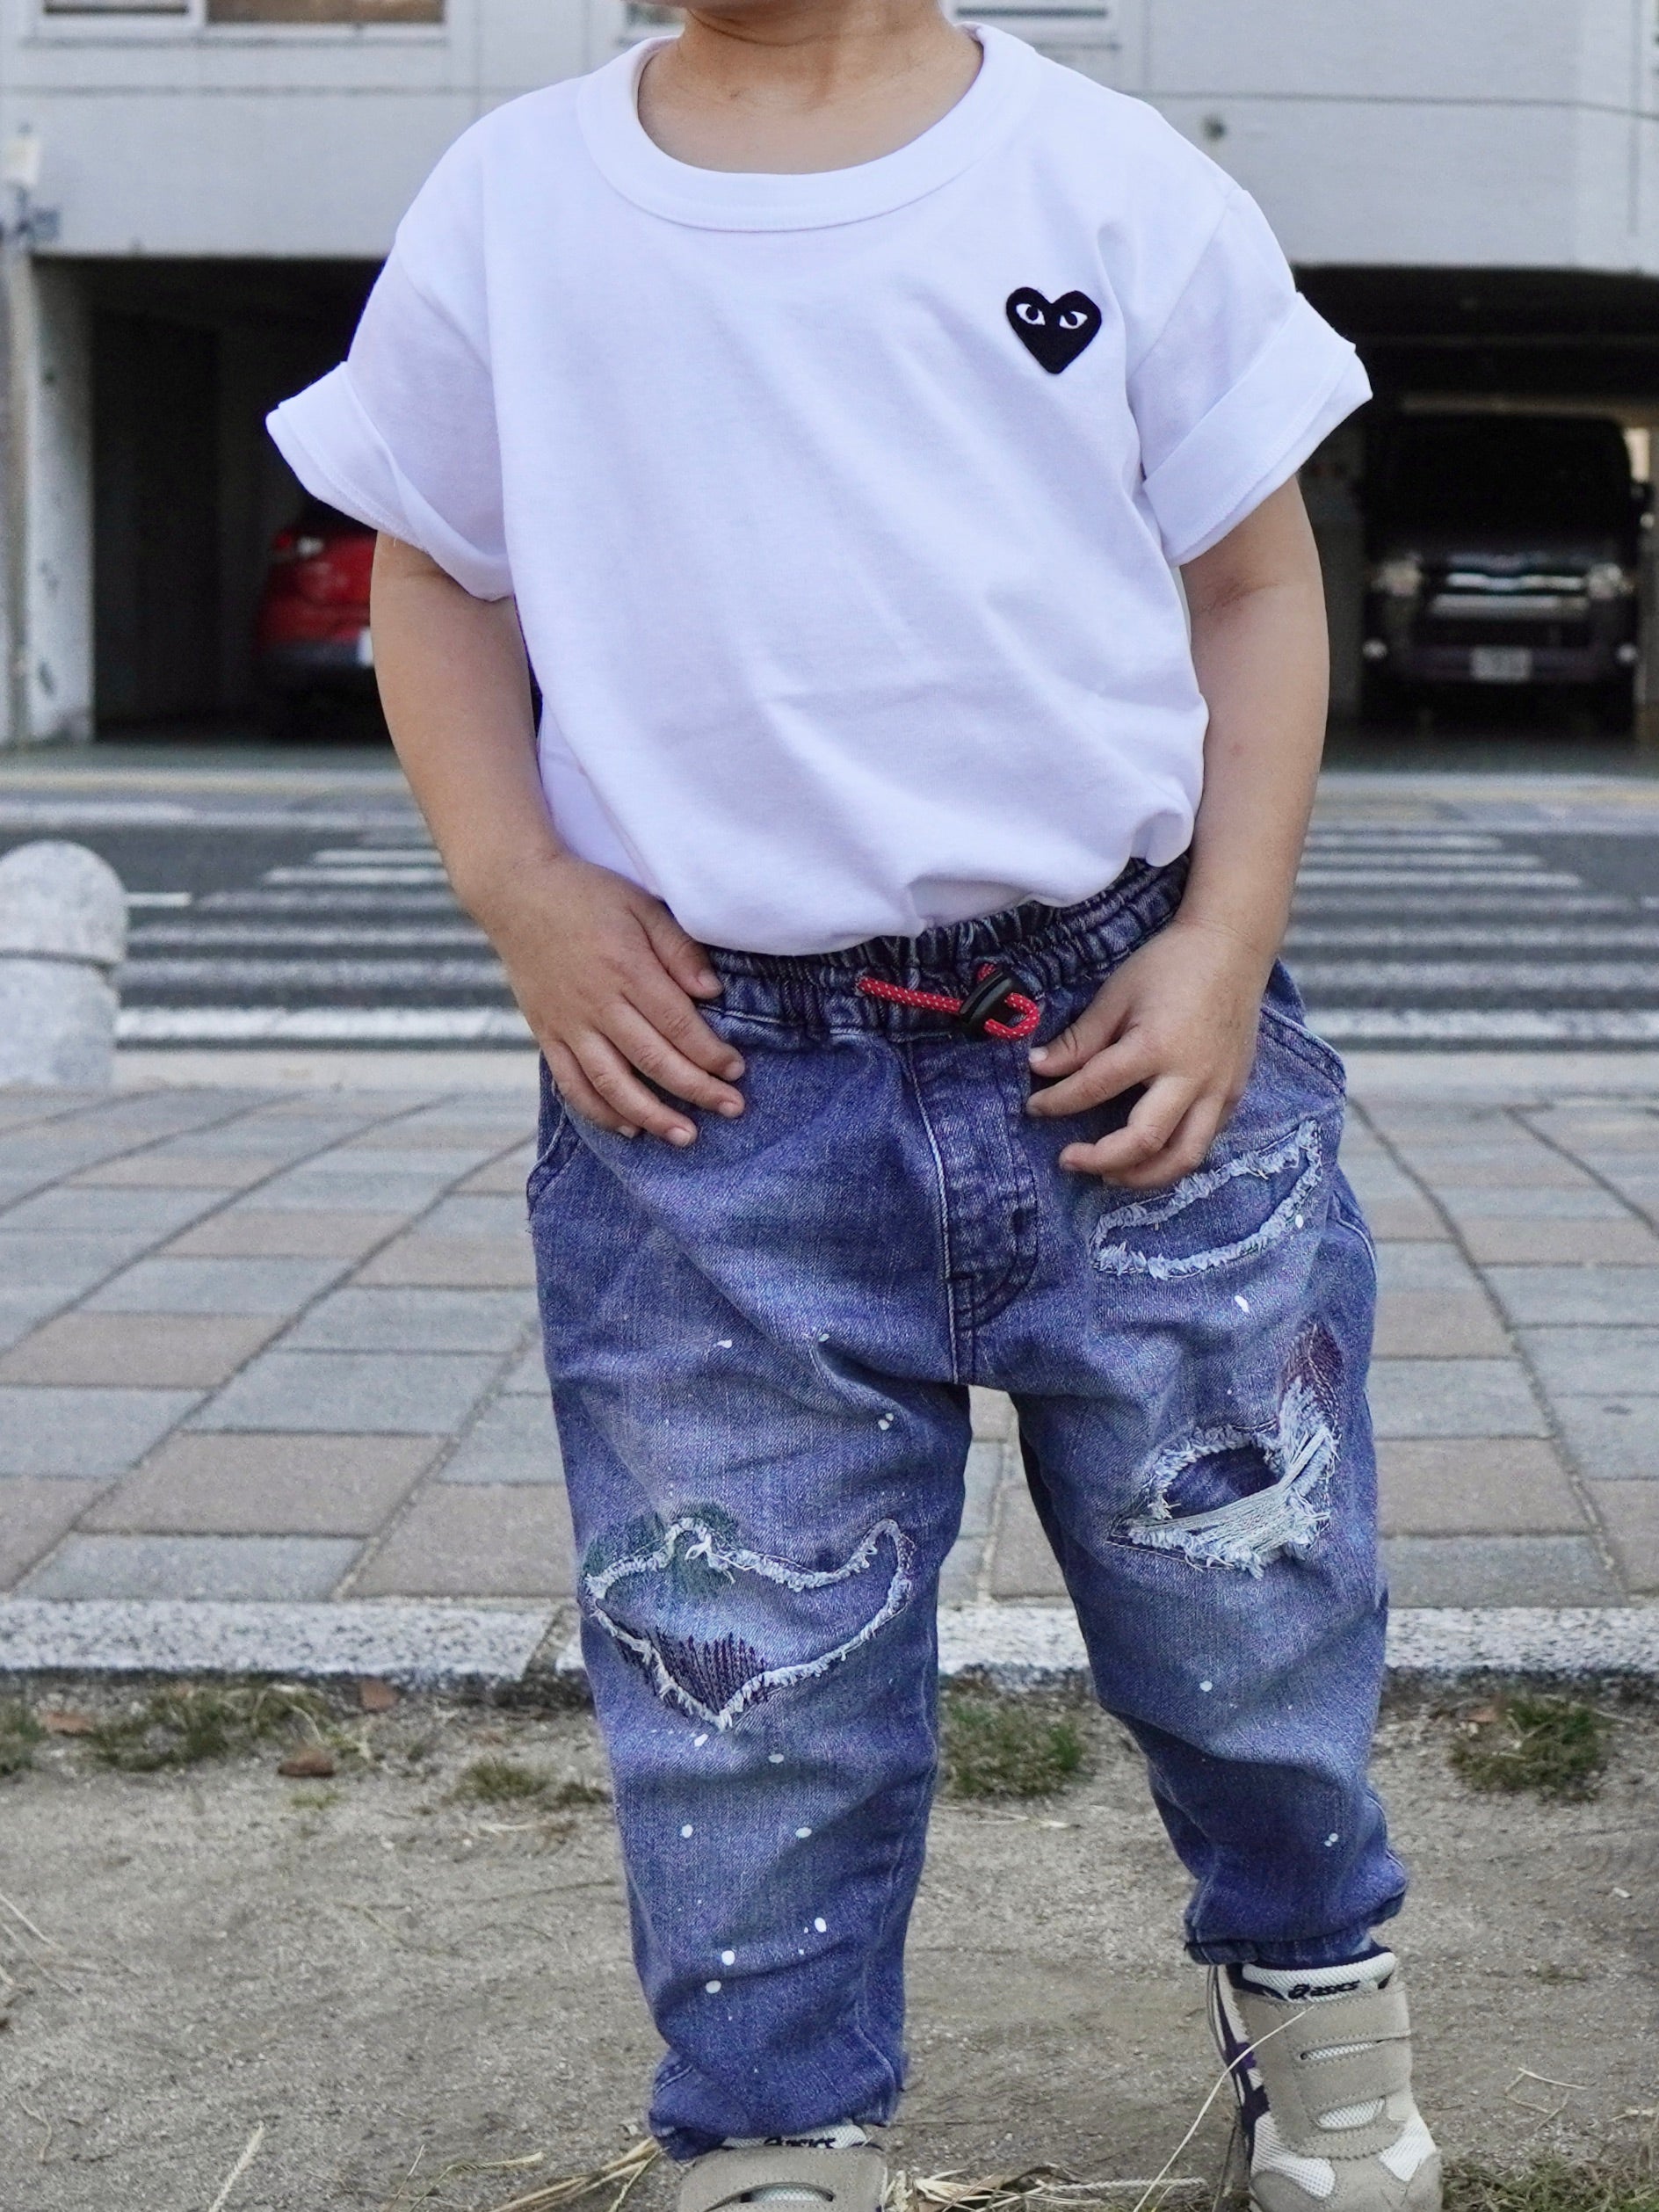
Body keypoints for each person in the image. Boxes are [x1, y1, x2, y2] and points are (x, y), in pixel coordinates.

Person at [268, 6, 1438, 2211]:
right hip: (710, 1086)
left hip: (1123, 1026)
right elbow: (432, 572)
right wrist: (519, 886)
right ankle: (774, 2130)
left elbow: (1254, 580)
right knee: (748, 1667)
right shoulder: (515, 203)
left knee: (1248, 1606)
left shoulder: (1105, 178)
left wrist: (1221, 935)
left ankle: (1322, 2013)